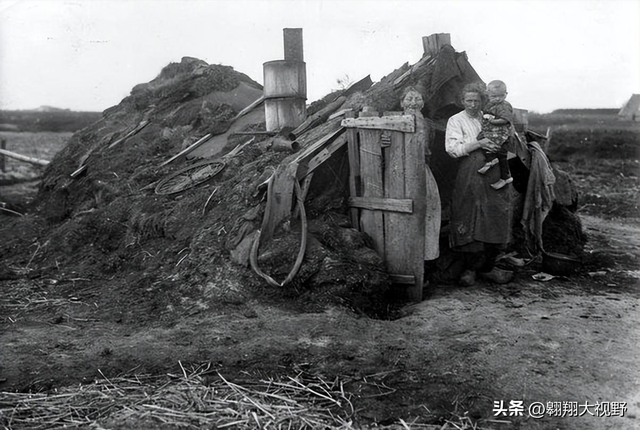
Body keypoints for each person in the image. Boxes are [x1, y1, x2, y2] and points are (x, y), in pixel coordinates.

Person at [445, 82, 514, 286]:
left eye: (476, 100)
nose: (473, 104)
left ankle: (488, 268)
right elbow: (452, 149)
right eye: (469, 100)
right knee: (470, 215)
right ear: (462, 101)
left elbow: (507, 134)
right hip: (470, 172)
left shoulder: (489, 116)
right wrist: (479, 143)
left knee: (496, 215)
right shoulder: (456, 120)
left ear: (482, 101)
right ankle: (470, 270)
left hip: (493, 172)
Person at [476, 80, 514, 190]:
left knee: (499, 151)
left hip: (500, 132)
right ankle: (491, 160)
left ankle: (503, 175)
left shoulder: (504, 106)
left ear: (506, 94)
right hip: (491, 131)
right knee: (481, 140)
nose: (497, 98)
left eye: (500, 96)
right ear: (488, 95)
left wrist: (492, 121)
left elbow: (505, 120)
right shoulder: (491, 104)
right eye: (494, 96)